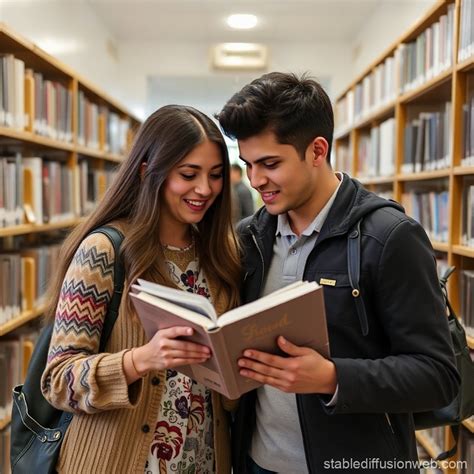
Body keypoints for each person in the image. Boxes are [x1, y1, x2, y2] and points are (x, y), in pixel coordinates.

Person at [216, 72, 459, 473]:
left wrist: (332, 377)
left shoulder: (388, 238)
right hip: (257, 463)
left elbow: (438, 376)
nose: (256, 180)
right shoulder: (250, 238)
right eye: (248, 165)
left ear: (317, 150)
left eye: (270, 163)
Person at [41, 105, 240, 473]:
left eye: (215, 175)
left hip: (201, 459)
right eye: (188, 174)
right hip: (118, 460)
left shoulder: (218, 255)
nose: (205, 189)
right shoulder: (103, 252)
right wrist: (140, 360)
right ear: (150, 172)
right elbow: (59, 380)